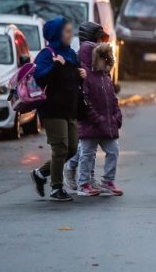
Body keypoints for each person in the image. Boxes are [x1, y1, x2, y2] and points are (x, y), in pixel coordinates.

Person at [30, 17, 86, 202]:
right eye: (67, 31)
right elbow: (40, 79)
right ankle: (56, 188)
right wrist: (56, 65)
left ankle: (40, 173)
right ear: (57, 34)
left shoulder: (70, 53)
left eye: (72, 31)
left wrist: (81, 76)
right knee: (60, 147)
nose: (71, 35)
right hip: (52, 109)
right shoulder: (47, 54)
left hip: (69, 109)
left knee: (71, 148)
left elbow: (71, 81)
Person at [71, 40, 123, 197]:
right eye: (100, 57)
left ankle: (107, 181)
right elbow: (85, 102)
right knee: (87, 154)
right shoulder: (86, 78)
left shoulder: (106, 78)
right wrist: (97, 118)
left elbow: (113, 100)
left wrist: (116, 116)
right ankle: (84, 183)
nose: (103, 61)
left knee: (113, 150)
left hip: (107, 124)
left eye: (104, 57)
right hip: (91, 125)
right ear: (91, 58)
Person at [63, 21, 108, 191]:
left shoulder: (100, 55)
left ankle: (86, 175)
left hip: (99, 104)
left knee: (90, 144)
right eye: (97, 38)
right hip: (84, 106)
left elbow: (105, 78)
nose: (99, 42)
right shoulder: (78, 56)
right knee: (87, 144)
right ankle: (79, 173)